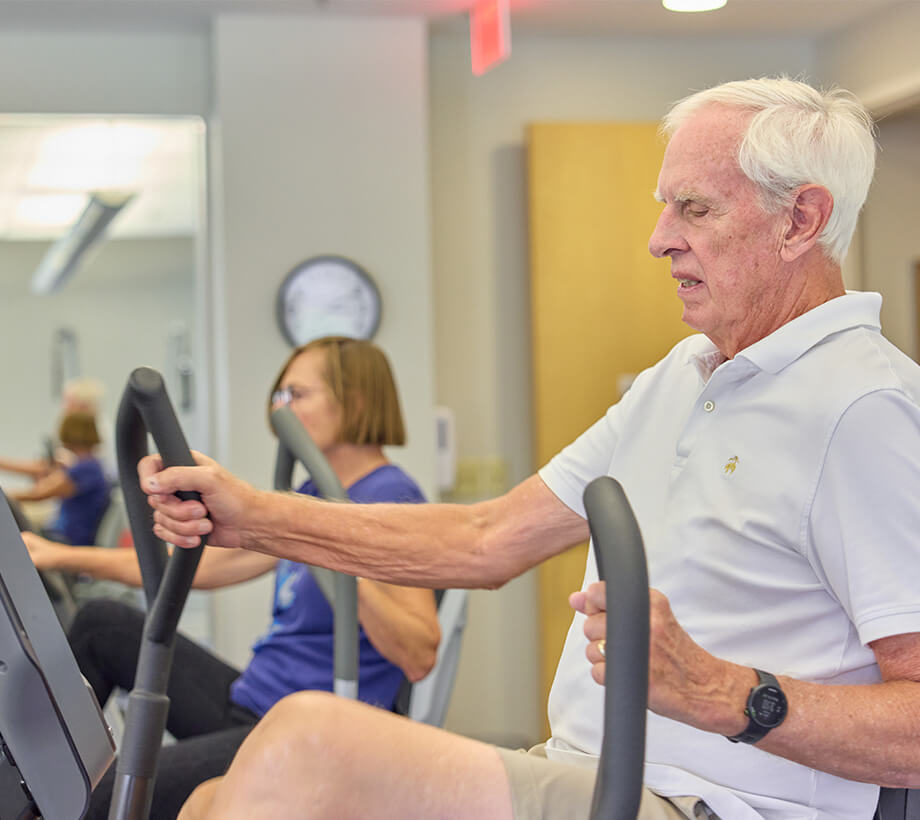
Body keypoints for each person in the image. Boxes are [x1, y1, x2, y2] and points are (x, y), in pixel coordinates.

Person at [142, 77, 920, 820]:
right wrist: (253, 517)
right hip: (584, 768)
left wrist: (722, 691)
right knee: (212, 798)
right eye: (664, 207)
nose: (659, 240)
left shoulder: (864, 408)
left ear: (800, 220)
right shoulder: (680, 378)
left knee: (306, 743)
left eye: (694, 208)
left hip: (707, 803)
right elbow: (487, 539)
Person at [26, 336, 440, 820]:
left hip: (305, 733)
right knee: (100, 625)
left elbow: (418, 652)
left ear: (358, 399)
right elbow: (202, 565)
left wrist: (335, 550)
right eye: (278, 396)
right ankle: (30, 774)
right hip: (252, 700)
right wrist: (60, 555)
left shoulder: (391, 495)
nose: (279, 410)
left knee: (98, 800)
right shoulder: (314, 493)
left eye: (296, 396)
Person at [3, 411, 110, 546]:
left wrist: (6, 496)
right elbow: (40, 469)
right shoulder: (88, 465)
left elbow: (37, 494)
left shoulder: (85, 469)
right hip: (63, 535)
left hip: (67, 540)